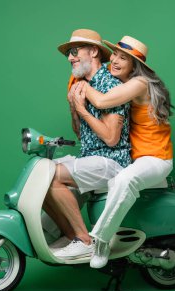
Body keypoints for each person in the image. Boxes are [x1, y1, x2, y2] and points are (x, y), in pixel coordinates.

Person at [72, 36, 174, 268]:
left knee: (124, 180)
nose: (115, 61)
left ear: (135, 65)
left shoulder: (139, 84)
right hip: (134, 157)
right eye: (115, 55)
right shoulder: (120, 81)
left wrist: (82, 84)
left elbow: (102, 102)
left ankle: (101, 241)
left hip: (155, 158)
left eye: (123, 58)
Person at [42, 29, 131, 259]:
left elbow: (111, 138)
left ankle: (84, 240)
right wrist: (74, 110)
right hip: (90, 156)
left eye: (74, 51)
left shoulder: (110, 84)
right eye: (68, 54)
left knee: (52, 176)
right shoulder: (81, 84)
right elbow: (83, 135)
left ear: (93, 51)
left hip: (113, 160)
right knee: (41, 175)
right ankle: (71, 236)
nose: (70, 58)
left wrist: (82, 109)